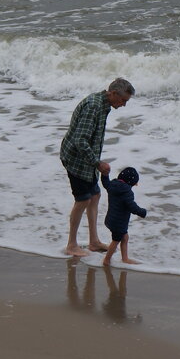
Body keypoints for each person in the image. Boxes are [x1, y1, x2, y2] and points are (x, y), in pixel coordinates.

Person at [59, 77, 134, 257]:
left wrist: (95, 162)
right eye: (123, 100)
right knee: (83, 199)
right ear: (114, 93)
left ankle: (93, 242)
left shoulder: (104, 105)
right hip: (75, 159)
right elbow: (80, 140)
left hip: (86, 160)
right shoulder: (93, 106)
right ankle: (71, 244)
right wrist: (98, 163)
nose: (124, 105)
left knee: (95, 195)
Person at [101, 166, 146, 266]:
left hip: (110, 220)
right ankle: (107, 260)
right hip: (119, 222)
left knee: (125, 237)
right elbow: (132, 206)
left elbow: (105, 183)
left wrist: (104, 175)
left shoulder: (112, 185)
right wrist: (142, 212)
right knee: (115, 241)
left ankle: (125, 258)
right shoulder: (127, 193)